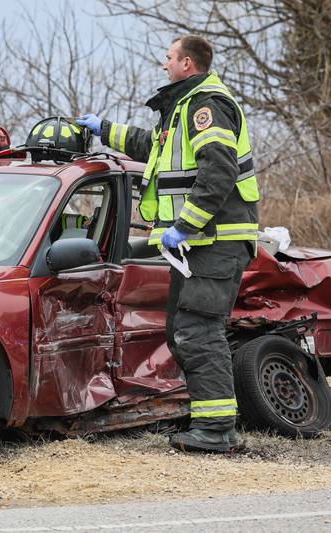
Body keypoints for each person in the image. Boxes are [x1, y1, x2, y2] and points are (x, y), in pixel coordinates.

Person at [78, 35, 260, 453]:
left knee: (198, 331)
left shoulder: (205, 107)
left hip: (214, 241)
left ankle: (215, 432)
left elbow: (219, 174)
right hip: (197, 246)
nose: (164, 65)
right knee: (183, 332)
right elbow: (153, 148)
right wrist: (104, 130)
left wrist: (184, 226)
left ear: (187, 64)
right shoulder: (182, 106)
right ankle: (209, 423)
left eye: (169, 58)